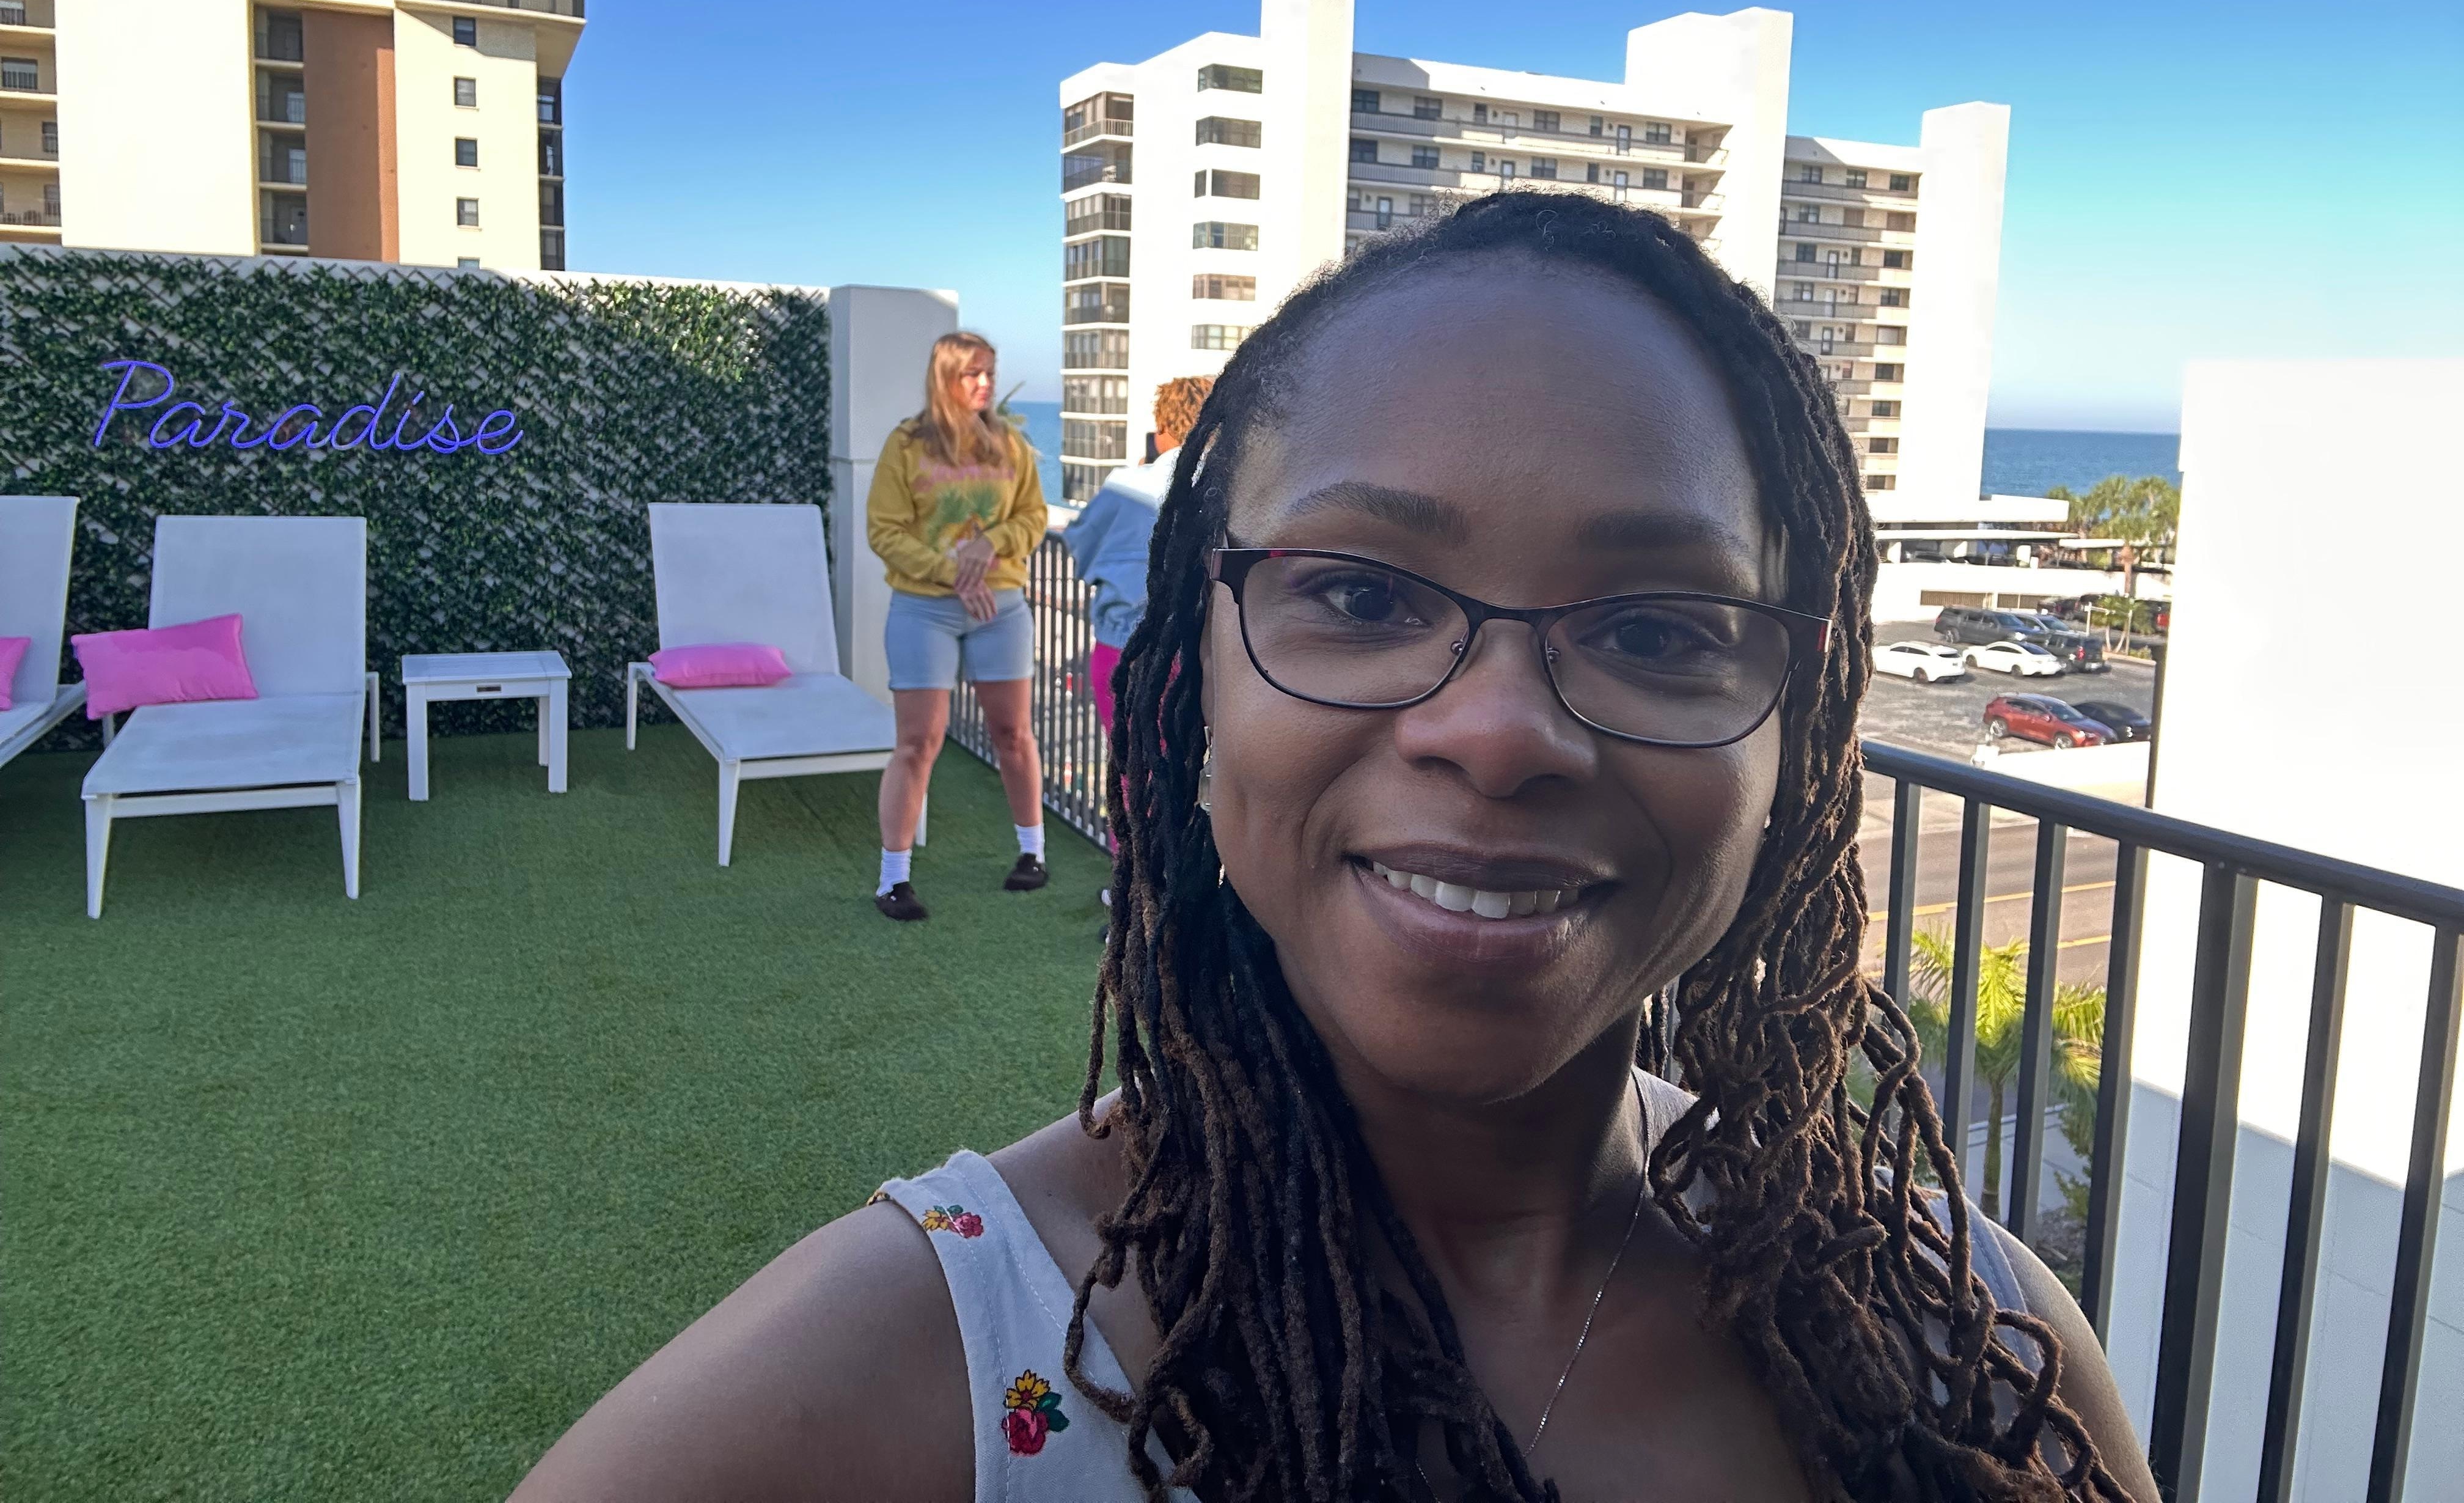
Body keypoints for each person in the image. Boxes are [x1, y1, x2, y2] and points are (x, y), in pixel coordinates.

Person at [513, 195, 2159, 1502]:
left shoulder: (1961, 1336)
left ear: (1795, 739)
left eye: (1659, 623)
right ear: (1189, 694)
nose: (1501, 730)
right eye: (1362, 596)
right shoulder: (911, 1379)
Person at [862, 329, 1049, 922]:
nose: (986, 383)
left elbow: (1034, 516)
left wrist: (989, 547)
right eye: (974, 374)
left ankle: (1033, 855)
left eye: (991, 372)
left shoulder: (1010, 443)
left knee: (1013, 734)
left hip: (1001, 608)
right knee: (919, 742)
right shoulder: (907, 444)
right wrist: (952, 572)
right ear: (946, 378)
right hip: (925, 609)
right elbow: (884, 531)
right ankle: (894, 880)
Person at [1063, 375, 1213, 735]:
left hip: (1121, 648)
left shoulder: (1126, 484)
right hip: (1199, 652)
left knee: (1131, 778)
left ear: (1163, 428)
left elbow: (1082, 547)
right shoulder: (1224, 487)